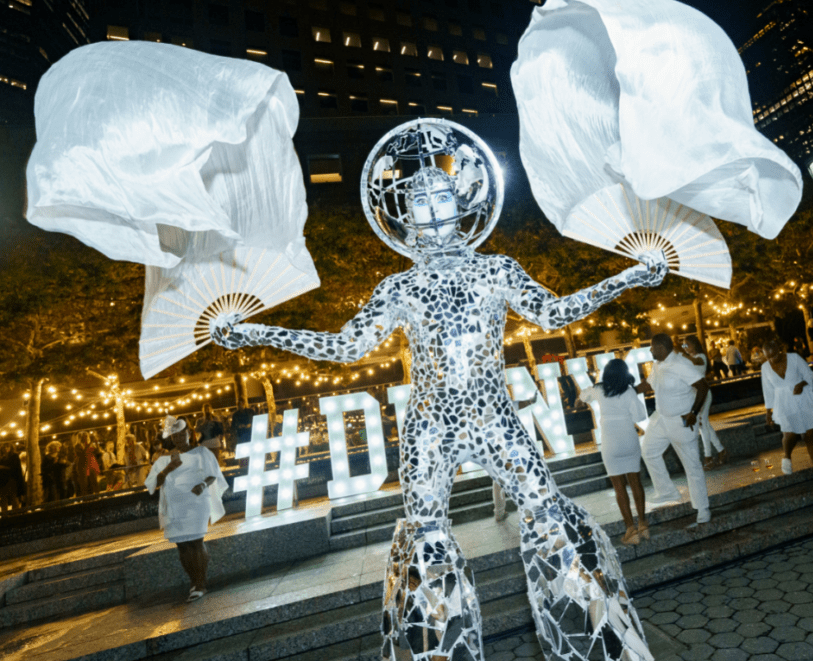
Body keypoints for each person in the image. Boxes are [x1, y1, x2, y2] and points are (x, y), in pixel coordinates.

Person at [211, 137, 664, 660]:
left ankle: (602, 643)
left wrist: (629, 276)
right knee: (425, 539)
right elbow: (346, 346)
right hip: (430, 425)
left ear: (463, 202)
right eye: (419, 201)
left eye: (442, 198)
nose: (432, 211)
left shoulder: (496, 270)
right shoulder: (399, 287)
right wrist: (259, 332)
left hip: (495, 415)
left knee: (550, 515)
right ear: (403, 215)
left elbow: (554, 312)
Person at [144, 416, 228, 603]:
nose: (179, 438)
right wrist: (168, 469)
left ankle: (200, 584)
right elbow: (152, 484)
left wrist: (202, 485)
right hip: (174, 506)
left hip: (196, 502)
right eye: (175, 434)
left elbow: (213, 475)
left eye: (182, 434)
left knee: (195, 542)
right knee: (182, 545)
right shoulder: (164, 458)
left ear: (189, 433)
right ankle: (194, 582)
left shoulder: (202, 452)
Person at [635, 333, 711, 524]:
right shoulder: (658, 364)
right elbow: (648, 384)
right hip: (661, 418)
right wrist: (625, 391)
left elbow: (703, 387)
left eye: (652, 347)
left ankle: (702, 509)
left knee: (692, 465)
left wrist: (694, 412)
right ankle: (667, 491)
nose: (650, 350)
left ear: (661, 347)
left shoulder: (680, 365)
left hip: (681, 420)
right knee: (648, 451)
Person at [578, 359, 649, 544]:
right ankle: (643, 524)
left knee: (619, 487)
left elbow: (583, 396)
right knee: (636, 483)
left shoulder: (599, 389)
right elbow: (640, 416)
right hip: (629, 439)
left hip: (611, 442)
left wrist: (582, 398)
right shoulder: (629, 390)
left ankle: (631, 530)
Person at [761, 337, 813, 486]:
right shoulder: (765, 368)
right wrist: (768, 412)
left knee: (810, 436)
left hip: (802, 398)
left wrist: (802, 383)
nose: (772, 360)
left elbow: (809, 375)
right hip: (783, 402)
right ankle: (786, 456)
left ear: (780, 349)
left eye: (774, 355)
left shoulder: (794, 358)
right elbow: (767, 390)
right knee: (790, 434)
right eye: (768, 357)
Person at [679, 335, 729, 469]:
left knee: (702, 424)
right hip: (693, 395)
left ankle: (708, 457)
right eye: (683, 345)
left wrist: (683, 356)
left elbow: (697, 363)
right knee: (704, 424)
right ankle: (721, 451)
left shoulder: (701, 357)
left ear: (694, 344)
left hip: (703, 394)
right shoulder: (688, 359)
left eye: (687, 345)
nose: (685, 348)